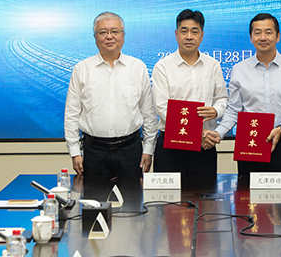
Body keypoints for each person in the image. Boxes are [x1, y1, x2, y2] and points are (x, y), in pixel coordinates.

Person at [203, 13, 281, 176]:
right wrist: (218, 133)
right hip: (250, 145)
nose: (263, 37)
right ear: (251, 37)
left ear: (278, 36)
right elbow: (233, 111)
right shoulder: (239, 70)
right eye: (257, 32)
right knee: (247, 191)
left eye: (268, 32)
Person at [64, 12, 158, 176]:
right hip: (94, 151)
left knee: (133, 193)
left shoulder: (137, 67)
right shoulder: (81, 69)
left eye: (115, 31)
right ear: (95, 37)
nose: (109, 36)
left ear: (123, 36)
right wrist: (74, 152)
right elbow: (71, 114)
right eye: (103, 32)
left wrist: (149, 149)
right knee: (92, 194)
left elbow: (148, 112)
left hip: (131, 149)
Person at [151, 9, 228, 174]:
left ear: (202, 35)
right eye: (184, 31)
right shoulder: (163, 67)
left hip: (204, 146)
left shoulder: (213, 65)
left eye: (194, 31)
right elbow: (162, 108)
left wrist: (216, 110)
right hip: (171, 147)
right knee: (168, 192)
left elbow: (222, 98)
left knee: (205, 190)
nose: (189, 36)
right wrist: (194, 134)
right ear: (176, 34)